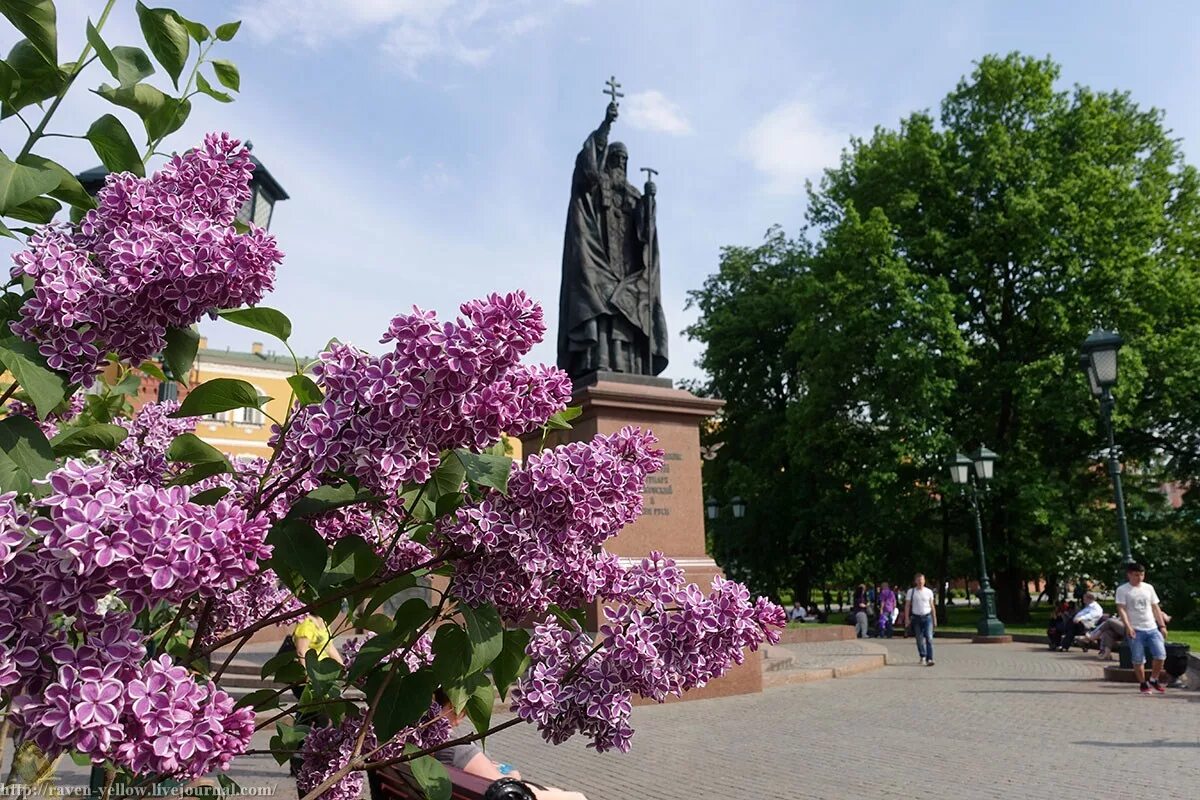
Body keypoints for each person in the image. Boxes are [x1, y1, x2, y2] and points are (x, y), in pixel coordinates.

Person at [431, 691, 587, 800]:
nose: (461, 718)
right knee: (576, 797)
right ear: (452, 705)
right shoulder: (454, 748)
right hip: (510, 794)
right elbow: (501, 787)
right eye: (462, 711)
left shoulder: (423, 743)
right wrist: (512, 775)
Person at [1115, 563, 1170, 695]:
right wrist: (1128, 627)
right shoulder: (1123, 590)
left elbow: (1155, 607)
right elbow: (1121, 609)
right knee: (1138, 658)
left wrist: (1161, 625)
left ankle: (1153, 679)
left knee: (1161, 654)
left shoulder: (1148, 588)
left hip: (1151, 627)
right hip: (1136, 628)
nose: (1139, 577)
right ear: (1129, 575)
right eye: (1136, 575)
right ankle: (1143, 683)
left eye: (1141, 574)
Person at [902, 573, 937, 666]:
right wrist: (906, 619)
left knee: (929, 638)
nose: (920, 582)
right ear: (915, 581)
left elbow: (932, 605)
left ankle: (930, 658)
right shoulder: (911, 592)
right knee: (919, 638)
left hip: (927, 617)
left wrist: (934, 618)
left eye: (922, 580)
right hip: (916, 617)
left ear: (924, 581)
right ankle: (922, 655)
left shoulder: (929, 592)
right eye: (918, 580)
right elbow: (907, 606)